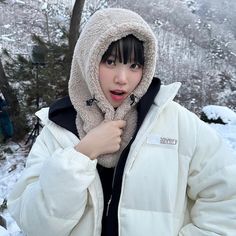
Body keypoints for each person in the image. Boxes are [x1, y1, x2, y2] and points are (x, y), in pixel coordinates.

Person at [7, 8, 236, 236]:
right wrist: (82, 154)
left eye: (134, 66)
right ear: (88, 60)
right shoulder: (57, 129)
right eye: (110, 62)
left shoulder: (177, 122)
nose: (122, 79)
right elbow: (36, 225)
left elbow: (226, 200)